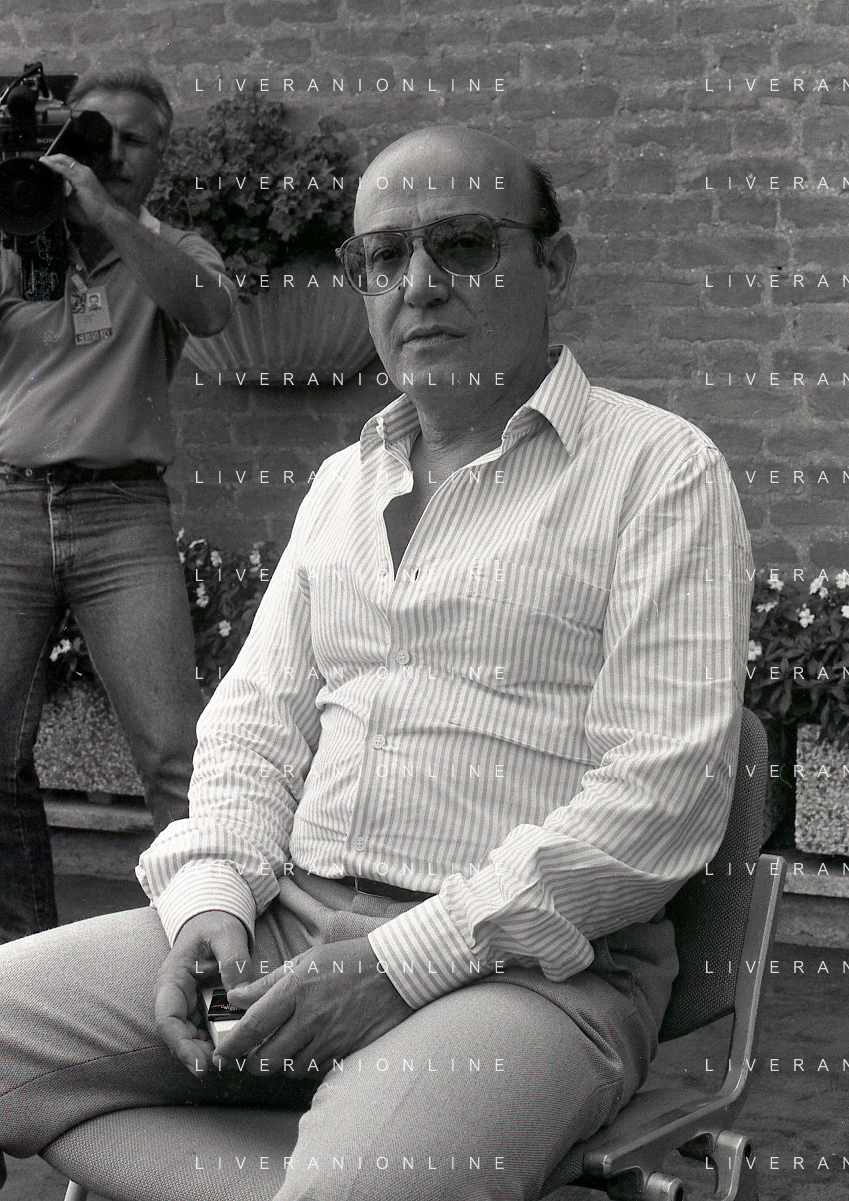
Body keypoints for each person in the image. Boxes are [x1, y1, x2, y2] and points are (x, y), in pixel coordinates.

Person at [0, 125, 752, 1200]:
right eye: (384, 256)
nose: (419, 283)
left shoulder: (659, 475)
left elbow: (660, 798)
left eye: (464, 244)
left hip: (531, 972)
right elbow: (253, 729)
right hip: (285, 926)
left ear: (554, 266)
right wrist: (212, 903)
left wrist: (401, 962)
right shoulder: (341, 486)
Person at [0, 69, 235, 941]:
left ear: (161, 155)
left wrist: (106, 216)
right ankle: (23, 956)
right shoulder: (15, 237)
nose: (116, 154)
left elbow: (208, 312)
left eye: (135, 141)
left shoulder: (171, 247)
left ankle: (201, 943)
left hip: (121, 514)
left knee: (175, 751)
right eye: (99, 135)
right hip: (10, 503)